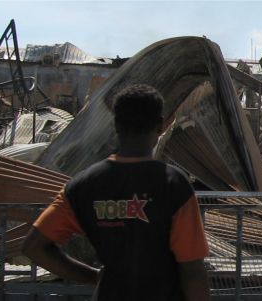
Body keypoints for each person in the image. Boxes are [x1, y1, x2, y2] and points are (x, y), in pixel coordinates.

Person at [22, 85, 211, 300]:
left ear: (116, 124)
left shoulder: (83, 185)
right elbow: (192, 270)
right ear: (161, 125)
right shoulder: (174, 185)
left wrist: (93, 276)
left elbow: (34, 247)